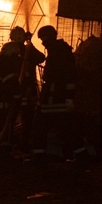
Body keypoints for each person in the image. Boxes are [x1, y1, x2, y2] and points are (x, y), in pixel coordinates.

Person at [32, 25, 85, 162]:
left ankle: (39, 157)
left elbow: (70, 76)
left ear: (49, 37)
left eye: (43, 38)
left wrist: (69, 98)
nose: (42, 42)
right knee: (68, 129)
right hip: (55, 98)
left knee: (40, 126)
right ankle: (81, 155)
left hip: (56, 98)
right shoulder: (57, 50)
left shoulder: (60, 53)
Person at [4, 26, 45, 151]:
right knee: (15, 117)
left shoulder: (27, 50)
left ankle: (24, 143)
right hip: (17, 89)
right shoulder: (11, 51)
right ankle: (13, 144)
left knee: (27, 118)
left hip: (27, 89)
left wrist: (30, 44)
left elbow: (41, 58)